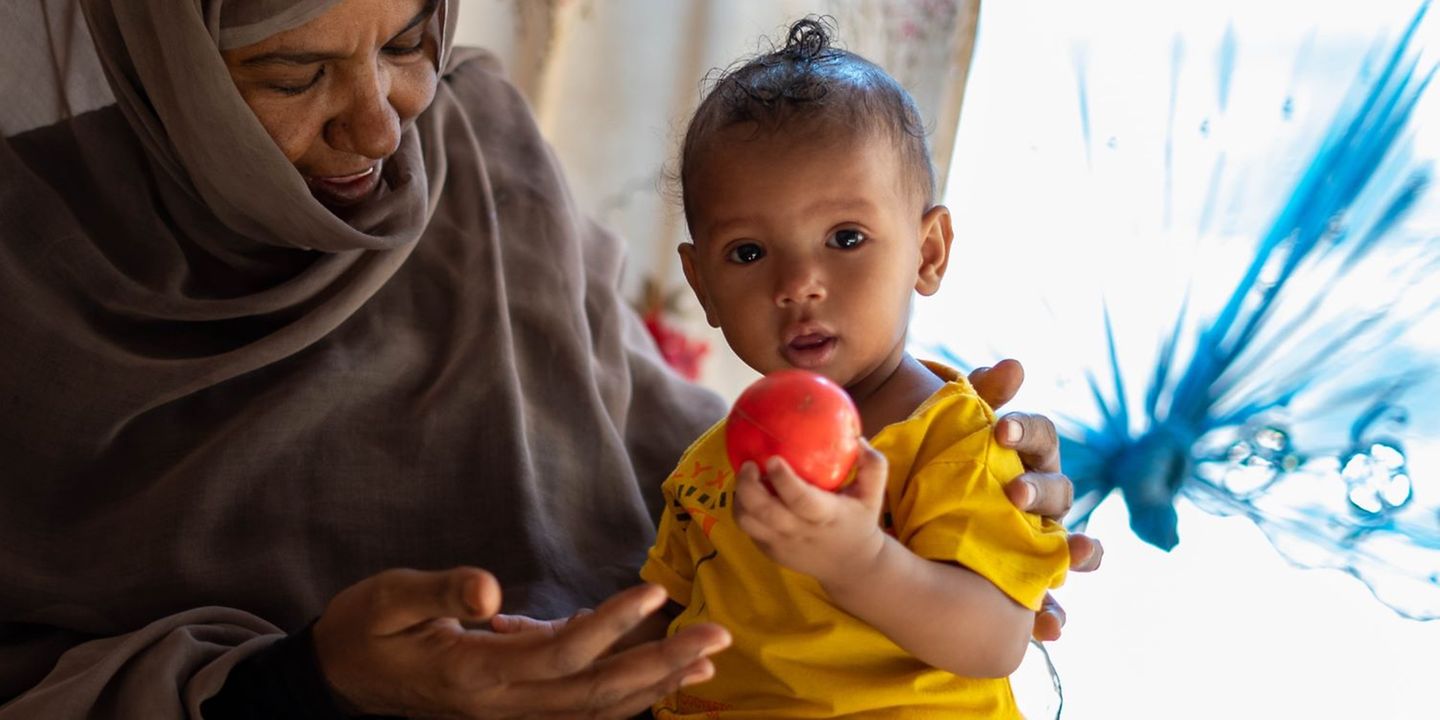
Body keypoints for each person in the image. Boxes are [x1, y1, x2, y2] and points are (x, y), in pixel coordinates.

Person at [0, 1, 1100, 718]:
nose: (383, 131)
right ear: (169, 60)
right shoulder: (33, 268)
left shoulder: (474, 142)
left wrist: (936, 519)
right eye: (293, 74)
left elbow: (632, 442)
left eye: (404, 45)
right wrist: (307, 685)